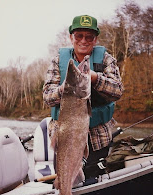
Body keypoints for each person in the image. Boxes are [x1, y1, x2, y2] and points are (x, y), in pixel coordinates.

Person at [43, 15, 123, 178]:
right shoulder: (58, 61)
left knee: (95, 182)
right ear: (71, 37)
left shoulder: (106, 59)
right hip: (64, 136)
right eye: (79, 35)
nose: (83, 41)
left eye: (89, 36)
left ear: (95, 40)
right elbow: (47, 96)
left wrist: (95, 78)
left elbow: (117, 90)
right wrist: (67, 87)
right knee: (65, 181)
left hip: (98, 137)